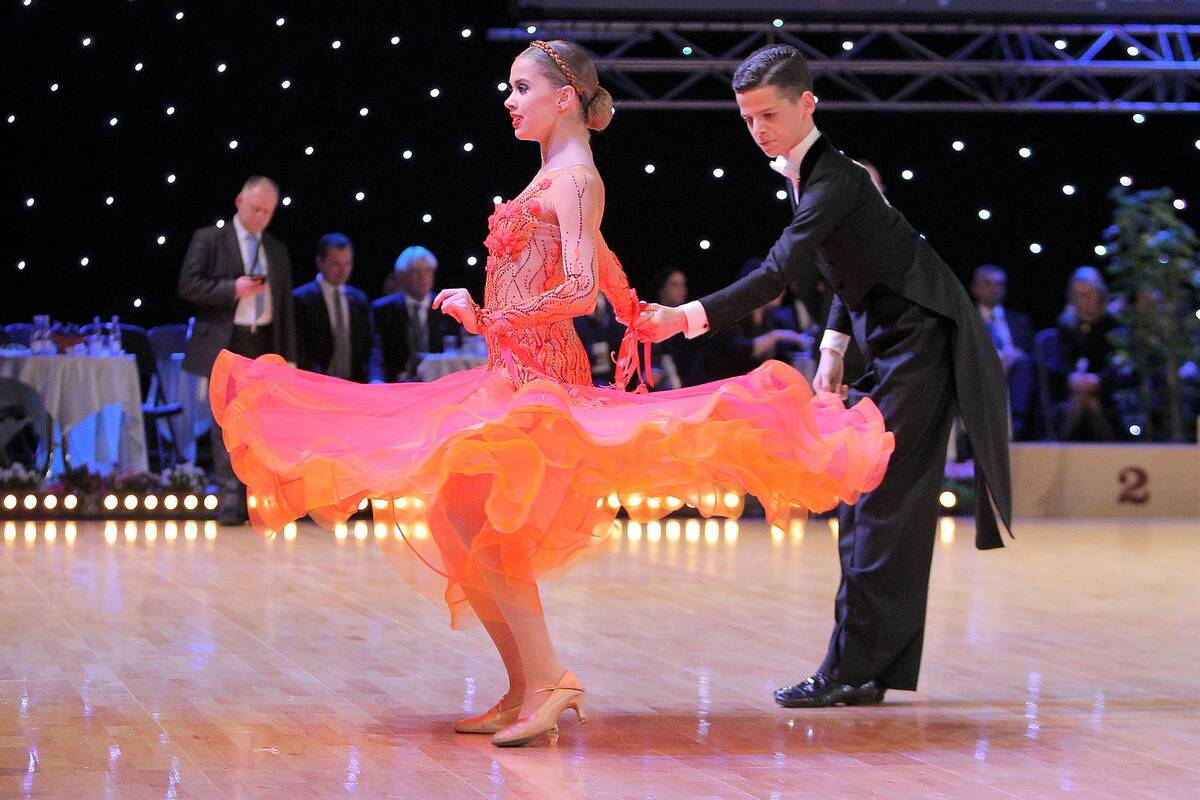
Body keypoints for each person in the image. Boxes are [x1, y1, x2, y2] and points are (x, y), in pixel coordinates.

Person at [208, 40, 893, 747]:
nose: (509, 101)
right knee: (454, 515)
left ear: (564, 97)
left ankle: (548, 680)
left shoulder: (573, 177)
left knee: (487, 525)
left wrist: (488, 317)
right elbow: (602, 259)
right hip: (511, 373)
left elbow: (575, 289)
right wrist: (635, 310)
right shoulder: (556, 174)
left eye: (521, 87)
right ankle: (525, 685)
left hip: (539, 379)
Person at [638, 44, 1013, 708]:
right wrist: (835, 347)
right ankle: (865, 669)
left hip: (923, 342)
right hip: (890, 341)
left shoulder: (836, 180)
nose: (758, 130)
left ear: (807, 104)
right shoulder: (818, 176)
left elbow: (778, 273)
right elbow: (856, 265)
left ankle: (853, 670)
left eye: (769, 115)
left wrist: (686, 317)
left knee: (879, 504)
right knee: (865, 501)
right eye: (748, 118)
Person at [178, 175, 296, 526]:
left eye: (268, 211)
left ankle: (258, 496)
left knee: (262, 423)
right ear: (239, 201)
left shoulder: (276, 248)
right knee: (226, 420)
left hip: (263, 340)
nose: (261, 216)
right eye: (256, 208)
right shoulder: (210, 238)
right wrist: (232, 288)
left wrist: (289, 356)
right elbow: (188, 285)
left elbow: (285, 306)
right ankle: (230, 496)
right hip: (226, 342)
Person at [1040, 267, 1125, 441]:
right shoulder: (1064, 329)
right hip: (1071, 394)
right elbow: (1057, 367)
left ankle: (1114, 451)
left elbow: (1120, 367)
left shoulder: (1115, 329)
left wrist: (1099, 381)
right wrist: (1071, 379)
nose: (1083, 300)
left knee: (1092, 402)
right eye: (1077, 295)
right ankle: (1056, 448)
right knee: (1081, 400)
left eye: (1088, 294)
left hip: (1107, 394)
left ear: (1100, 294)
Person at [370, 246, 458, 382]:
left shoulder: (446, 308)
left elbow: (457, 350)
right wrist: (376, 381)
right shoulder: (383, 310)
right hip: (396, 384)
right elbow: (376, 352)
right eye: (416, 271)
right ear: (403, 276)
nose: (423, 277)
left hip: (438, 382)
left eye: (427, 270)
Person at [293, 233, 371, 383]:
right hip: (318, 383)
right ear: (320, 262)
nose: (343, 271)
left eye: (347, 264)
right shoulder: (301, 299)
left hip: (355, 383)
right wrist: (322, 379)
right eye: (336, 264)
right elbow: (299, 348)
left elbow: (372, 344)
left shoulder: (359, 299)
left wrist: (375, 378)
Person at [970, 265, 1036, 439]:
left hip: (1013, 375)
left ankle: (1016, 424)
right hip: (978, 373)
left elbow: (1029, 352)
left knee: (1024, 364)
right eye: (988, 283)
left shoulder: (1020, 321)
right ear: (975, 288)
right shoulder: (967, 320)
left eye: (999, 284)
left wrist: (1012, 357)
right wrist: (994, 362)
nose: (994, 289)